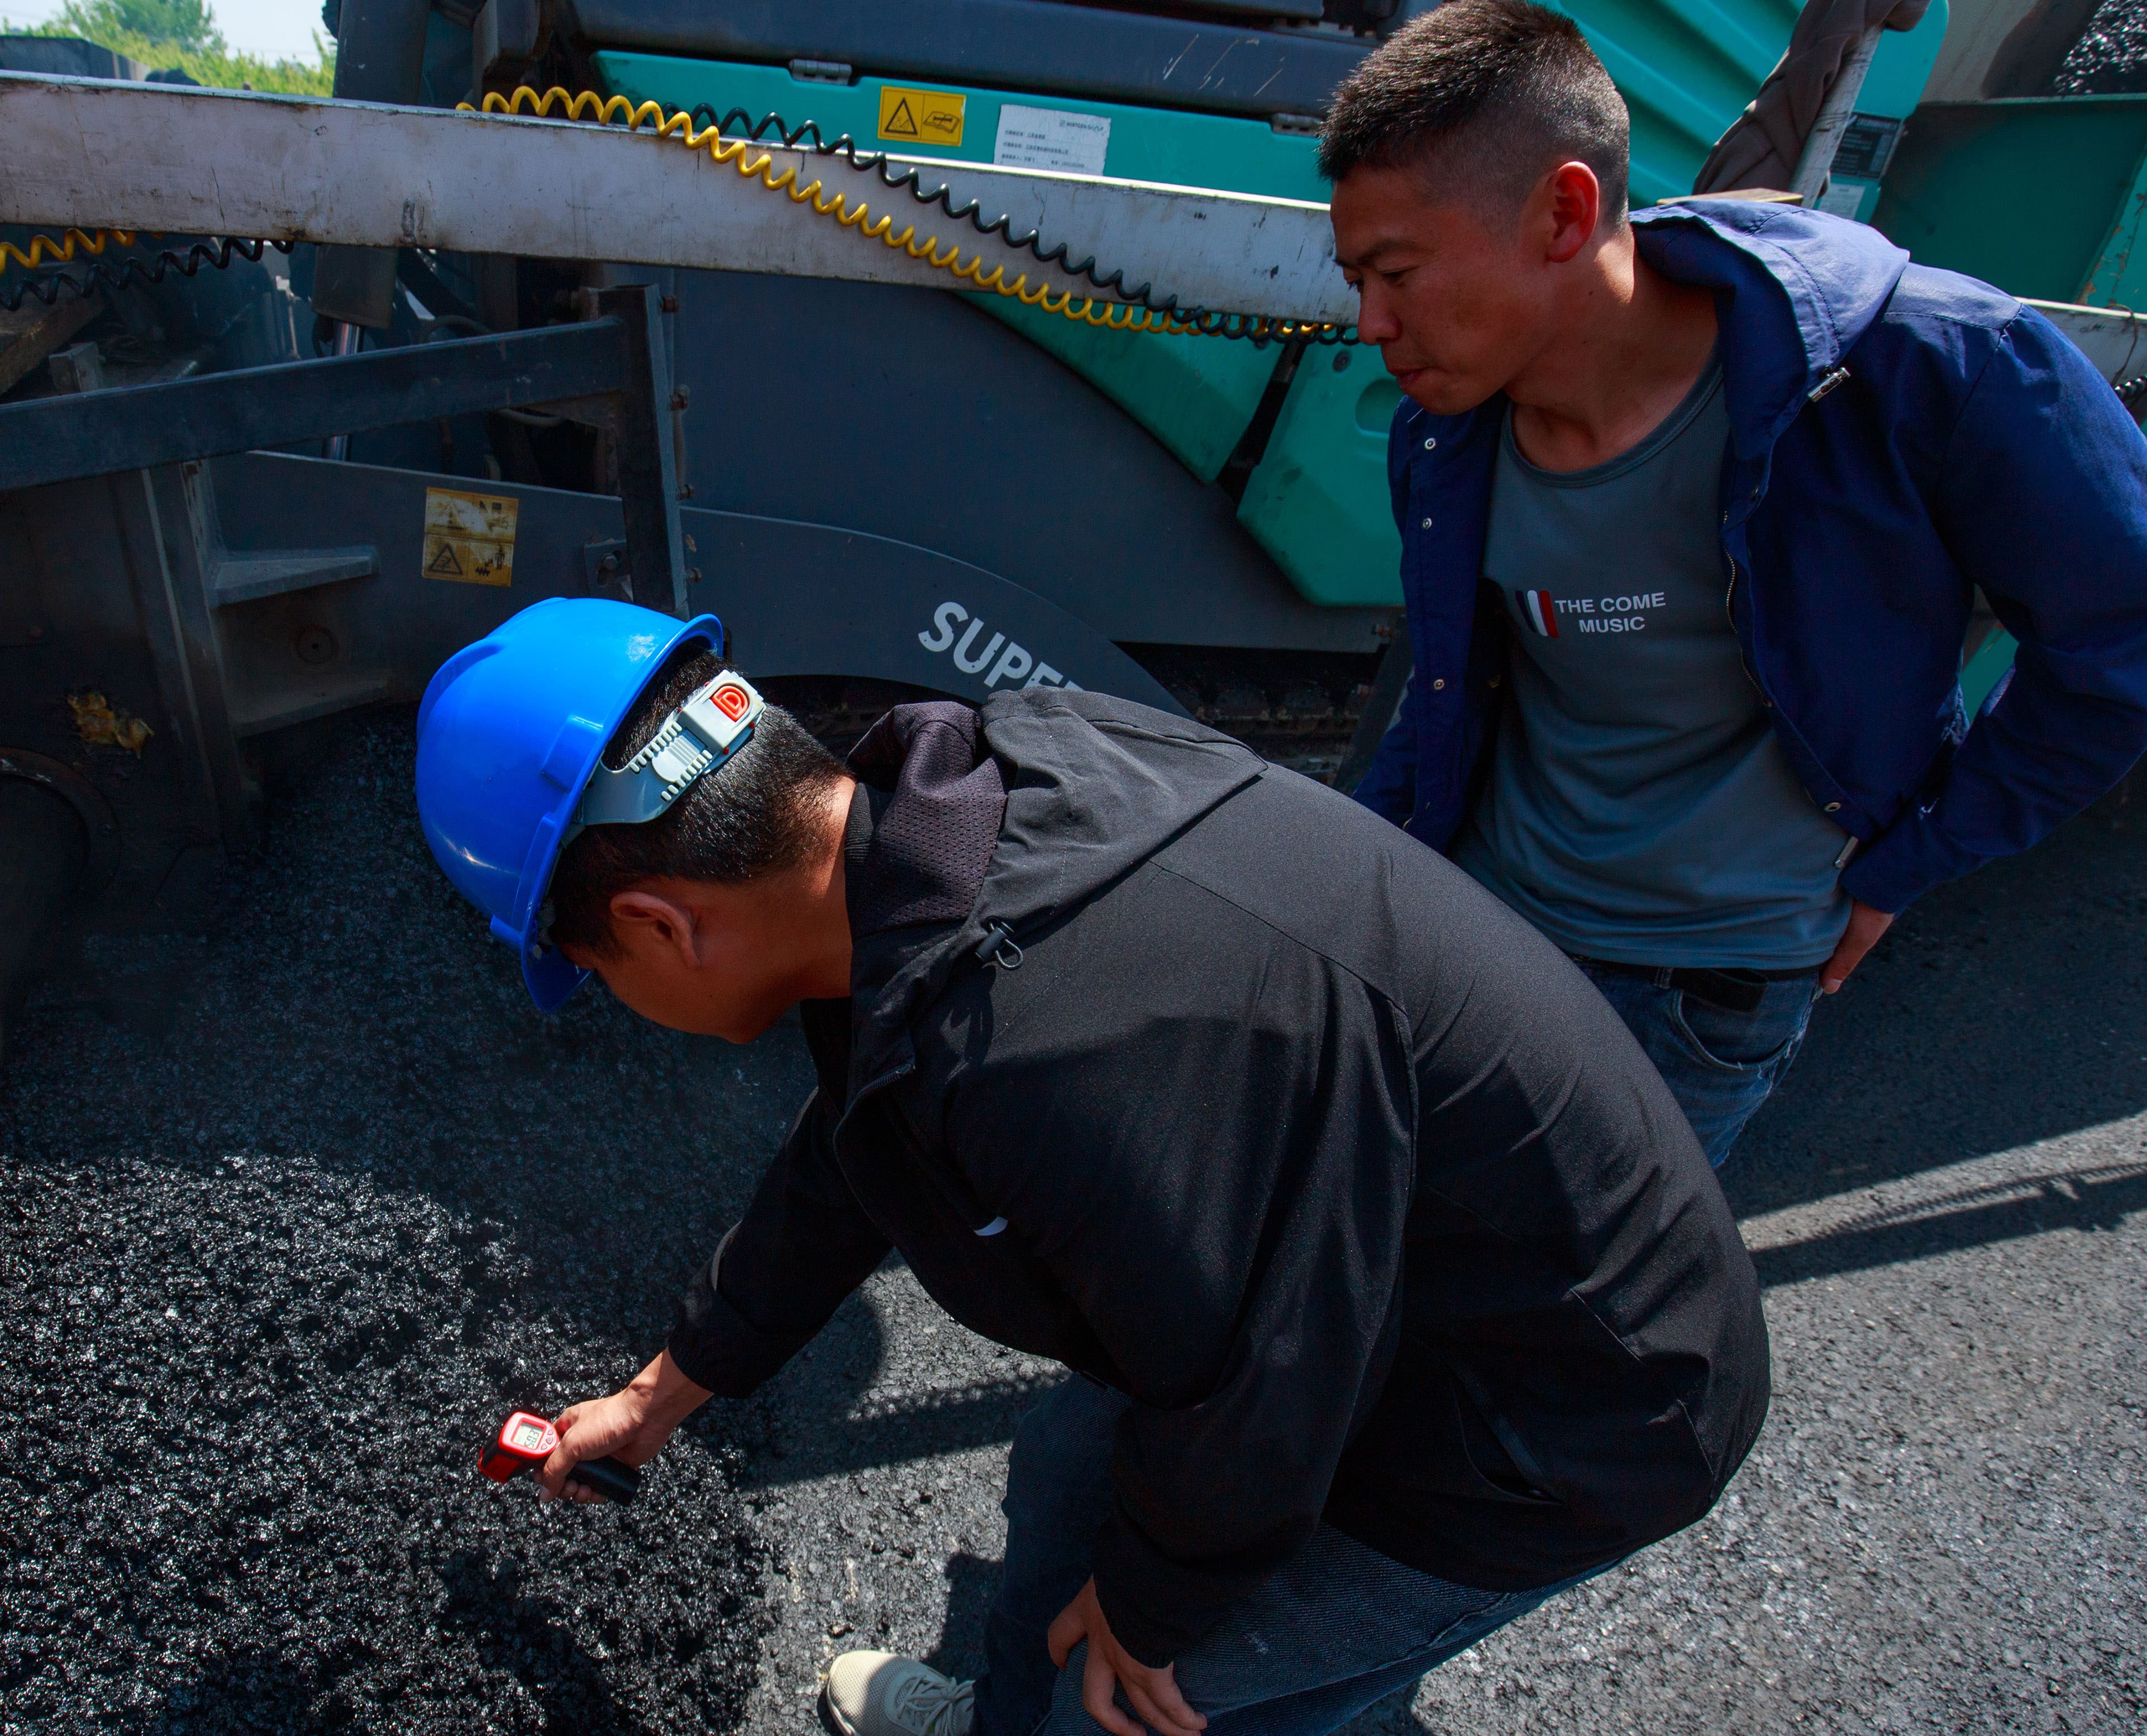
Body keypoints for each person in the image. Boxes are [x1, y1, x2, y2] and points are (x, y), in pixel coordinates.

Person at [414, 595, 1772, 1736]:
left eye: (595, 972)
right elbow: (859, 1145)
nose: (613, 998)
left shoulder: (1053, 1056)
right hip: (1326, 1257)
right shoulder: (953, 817)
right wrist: (662, 1394)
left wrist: (1152, 1609)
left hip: (1556, 1399)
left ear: (660, 925)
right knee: (1072, 1481)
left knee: (1132, 1704)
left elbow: (1273, 1385)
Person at [1335, 0, 2147, 1165]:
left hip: (1698, 999)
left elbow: (2122, 639)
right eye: (1356, 277)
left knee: (1569, 1275)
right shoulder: (1447, 434)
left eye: (1397, 273)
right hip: (1479, 927)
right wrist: (1356, 878)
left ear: (1564, 214)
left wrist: (1918, 858)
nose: (1370, 322)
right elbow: (1446, 687)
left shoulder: (1926, 367)